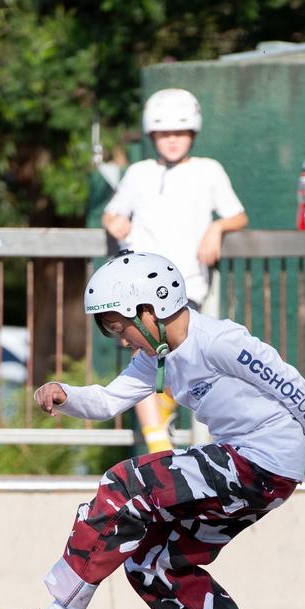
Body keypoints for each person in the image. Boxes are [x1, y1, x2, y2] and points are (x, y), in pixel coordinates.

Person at [0, 251, 305, 609]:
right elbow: (108, 400)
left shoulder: (219, 341)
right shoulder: (156, 358)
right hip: (252, 475)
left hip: (260, 460)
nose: (119, 337)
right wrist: (65, 392)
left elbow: (291, 386)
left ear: (152, 308)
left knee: (124, 485)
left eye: (118, 326)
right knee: (151, 562)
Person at [102, 88, 248, 453]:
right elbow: (112, 212)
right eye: (165, 134)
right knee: (146, 356)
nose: (172, 141)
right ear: (153, 136)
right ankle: (158, 443)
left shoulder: (208, 170)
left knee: (179, 358)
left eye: (179, 133)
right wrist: (112, 221)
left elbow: (237, 214)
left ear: (192, 134)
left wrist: (217, 229)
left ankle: (162, 430)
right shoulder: (138, 173)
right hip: (136, 287)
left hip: (185, 284)